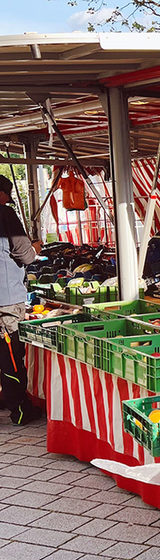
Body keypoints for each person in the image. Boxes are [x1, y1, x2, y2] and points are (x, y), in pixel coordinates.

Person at [0, 175, 42, 425]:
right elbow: (25, 255)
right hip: (5, 299)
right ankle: (20, 410)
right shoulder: (5, 214)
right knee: (10, 354)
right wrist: (35, 247)